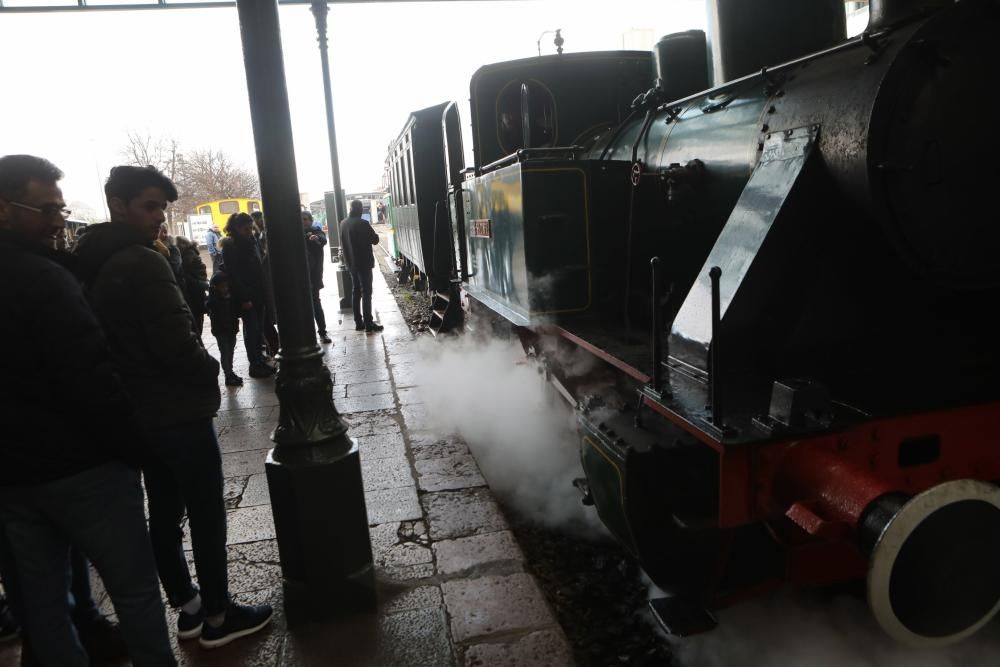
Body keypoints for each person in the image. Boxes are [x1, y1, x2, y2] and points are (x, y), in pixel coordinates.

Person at [74, 165, 273, 650]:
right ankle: (221, 617)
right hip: (177, 412)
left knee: (163, 511)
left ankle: (187, 608)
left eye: (163, 207)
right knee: (206, 512)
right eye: (149, 206)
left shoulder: (93, 260)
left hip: (140, 413)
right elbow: (175, 340)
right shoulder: (142, 261)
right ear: (117, 206)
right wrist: (207, 370)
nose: (159, 217)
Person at [0, 154, 175, 665]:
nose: (59, 220)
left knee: (42, 603)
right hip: (83, 468)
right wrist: (138, 451)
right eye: (45, 209)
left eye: (60, 208)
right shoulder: (44, 278)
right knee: (135, 589)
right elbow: (92, 380)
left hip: (12, 477)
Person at [219, 213, 274, 378]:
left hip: (258, 293)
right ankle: (255, 364)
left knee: (258, 331)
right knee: (252, 330)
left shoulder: (251, 241)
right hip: (247, 296)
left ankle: (260, 360)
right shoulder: (230, 246)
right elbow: (234, 275)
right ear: (236, 228)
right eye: (246, 229)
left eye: (251, 228)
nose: (250, 231)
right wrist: (244, 298)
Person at [340, 199, 383, 333]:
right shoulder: (363, 223)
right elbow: (375, 240)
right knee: (366, 293)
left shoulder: (343, 223)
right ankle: (369, 324)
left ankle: (358, 323)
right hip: (364, 264)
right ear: (360, 210)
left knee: (356, 291)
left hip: (351, 264)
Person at [250, 210, 280, 357]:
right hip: (260, 288)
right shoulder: (255, 240)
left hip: (266, 286)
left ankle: (272, 348)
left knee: (266, 321)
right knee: (264, 322)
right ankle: (272, 348)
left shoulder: (259, 238)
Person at [207, 272, 242, 387]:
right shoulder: (213, 300)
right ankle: (228, 375)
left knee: (230, 351)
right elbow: (209, 306)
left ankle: (230, 372)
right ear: (216, 287)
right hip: (221, 331)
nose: (225, 289)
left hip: (231, 328)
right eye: (222, 286)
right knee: (225, 352)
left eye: (226, 286)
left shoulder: (231, 297)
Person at [303, 210, 332, 344]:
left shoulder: (316, 231)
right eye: (301, 219)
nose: (304, 222)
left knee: (315, 303)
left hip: (314, 276)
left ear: (310, 220)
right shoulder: (297, 234)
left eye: (306, 219)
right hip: (302, 278)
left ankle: (322, 331)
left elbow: (323, 239)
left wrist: (316, 238)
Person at [176, 235, 209, 337]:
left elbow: (186, 276)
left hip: (194, 296)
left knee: (196, 326)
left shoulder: (187, 256)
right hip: (197, 294)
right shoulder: (192, 253)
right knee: (197, 323)